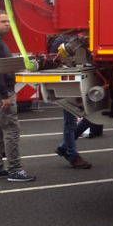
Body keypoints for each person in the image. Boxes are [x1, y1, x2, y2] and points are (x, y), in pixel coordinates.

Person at [0, 10, 35, 181]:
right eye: (3, 21)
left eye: (8, 21)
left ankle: (0, 168)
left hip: (3, 92)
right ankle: (15, 170)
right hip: (3, 93)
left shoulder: (1, 42)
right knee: (11, 130)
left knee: (0, 131)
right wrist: (4, 95)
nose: (7, 24)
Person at [47, 36, 92, 169]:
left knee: (91, 118)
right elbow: (53, 62)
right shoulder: (60, 41)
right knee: (70, 122)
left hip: (80, 81)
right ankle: (72, 155)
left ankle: (65, 147)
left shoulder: (78, 39)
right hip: (67, 83)